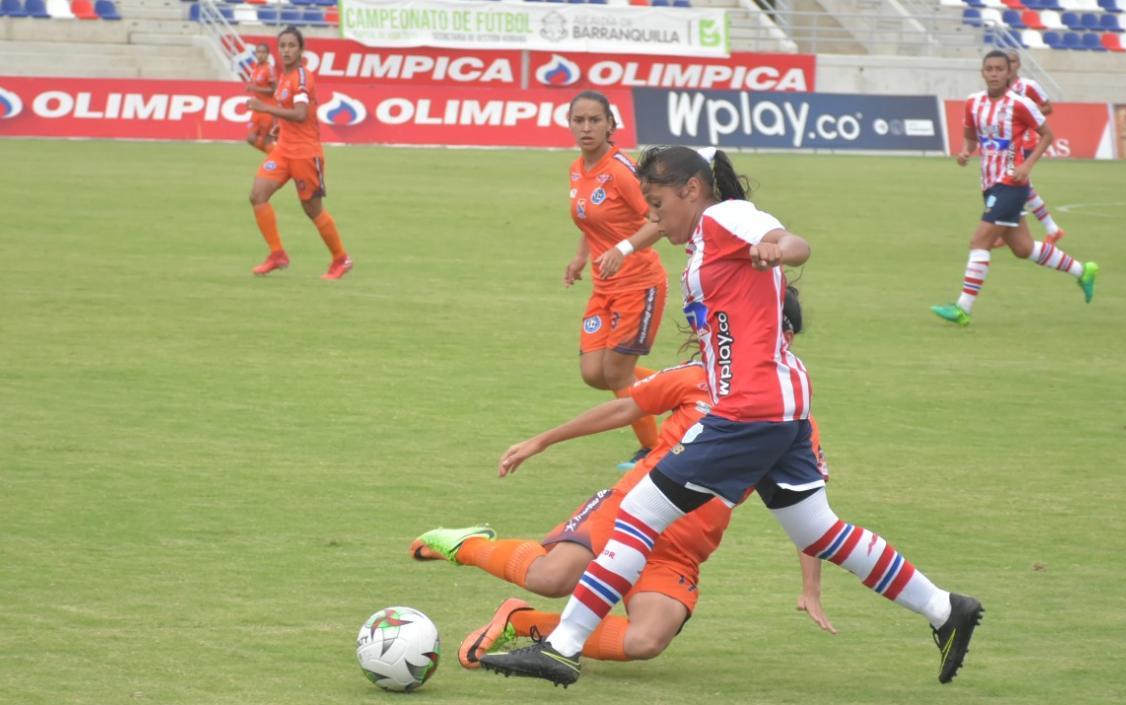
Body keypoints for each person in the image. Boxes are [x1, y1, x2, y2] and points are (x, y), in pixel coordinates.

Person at [481, 146, 983, 687]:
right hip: (778, 407)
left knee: (636, 514)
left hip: (748, 408)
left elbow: (796, 243)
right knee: (818, 530)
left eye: (657, 204)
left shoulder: (724, 217)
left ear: (690, 191)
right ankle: (944, 609)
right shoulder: (702, 237)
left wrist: (779, 249)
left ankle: (561, 646)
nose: (654, 217)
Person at [411, 295, 835, 670]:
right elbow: (624, 410)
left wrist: (810, 587)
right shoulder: (696, 377)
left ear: (788, 337)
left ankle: (521, 621)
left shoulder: (792, 422)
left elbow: (805, 511)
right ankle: (467, 545)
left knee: (646, 640)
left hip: (680, 547)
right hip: (630, 510)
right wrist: (541, 441)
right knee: (550, 578)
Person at [931, 50, 1098, 327]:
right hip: (989, 182)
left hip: (1011, 183)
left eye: (999, 69)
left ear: (1009, 73)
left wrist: (1027, 166)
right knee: (1022, 248)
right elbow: (970, 138)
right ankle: (1083, 271)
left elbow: (1048, 135)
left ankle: (963, 308)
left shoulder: (1020, 104)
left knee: (979, 242)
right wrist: (964, 153)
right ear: (982, 72)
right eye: (989, 69)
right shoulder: (973, 103)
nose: (994, 73)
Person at [563, 91, 669, 470]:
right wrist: (580, 256)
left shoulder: (623, 170)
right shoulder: (578, 168)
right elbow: (592, 219)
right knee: (595, 374)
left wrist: (622, 249)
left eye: (595, 120)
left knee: (618, 374)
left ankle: (653, 451)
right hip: (603, 285)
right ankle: (691, 389)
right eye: (580, 120)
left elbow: (659, 219)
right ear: (570, 124)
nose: (587, 127)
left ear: (611, 124)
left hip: (639, 284)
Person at [247, 27, 352, 280]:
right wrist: (277, 126)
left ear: (300, 49)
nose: (286, 50)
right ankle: (277, 254)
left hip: (305, 153)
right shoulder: (284, 76)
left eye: (291, 45)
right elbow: (288, 111)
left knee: (312, 210)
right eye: (282, 45)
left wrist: (266, 109)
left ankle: (341, 258)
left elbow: (302, 113)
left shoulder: (302, 77)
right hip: (283, 150)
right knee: (257, 195)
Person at [1005, 49, 1064, 245]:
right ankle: (1050, 228)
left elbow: (1048, 107)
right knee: (1019, 186)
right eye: (1007, 62)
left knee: (1014, 184)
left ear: (1018, 64)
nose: (1010, 65)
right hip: (1009, 143)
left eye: (1013, 61)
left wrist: (1028, 113)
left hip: (1026, 141)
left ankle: (1011, 229)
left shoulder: (1029, 86)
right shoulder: (1000, 88)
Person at [244, 43, 277, 154]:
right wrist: (252, 101)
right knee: (251, 138)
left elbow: (273, 90)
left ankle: (277, 160)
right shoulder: (256, 68)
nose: (260, 55)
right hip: (257, 109)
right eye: (258, 52)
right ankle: (276, 156)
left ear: (268, 54)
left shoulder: (269, 69)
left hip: (267, 109)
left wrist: (255, 88)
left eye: (263, 52)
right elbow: (256, 89)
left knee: (266, 140)